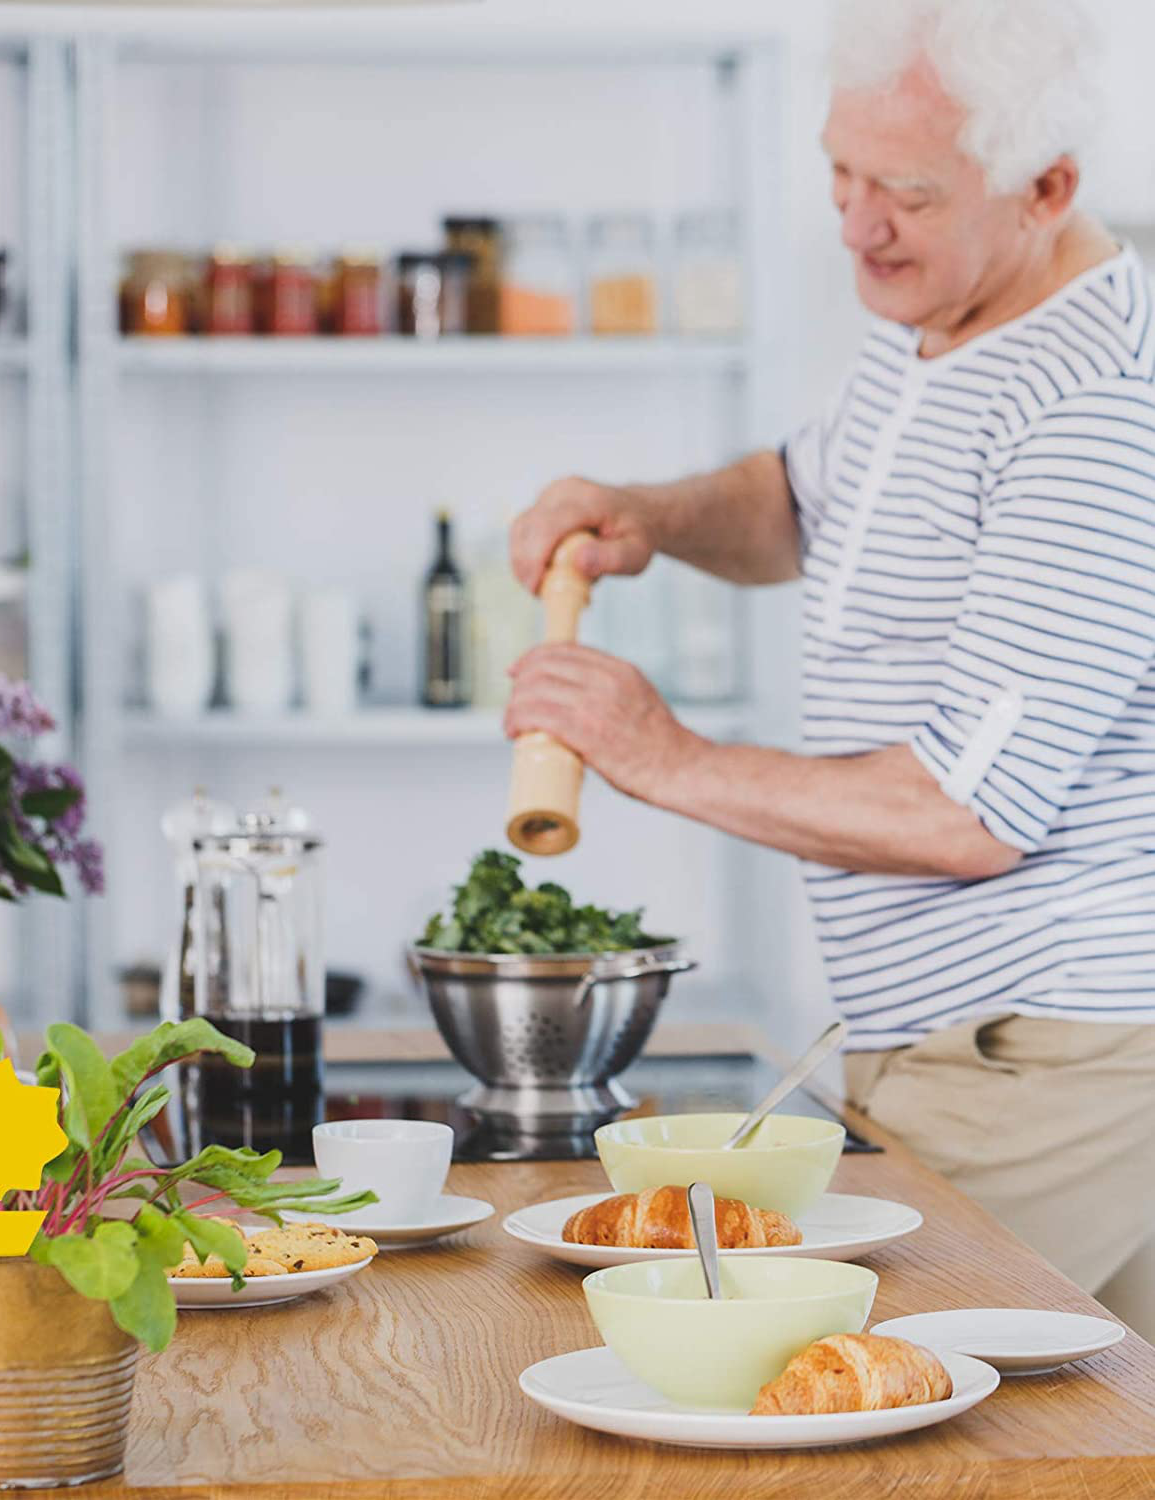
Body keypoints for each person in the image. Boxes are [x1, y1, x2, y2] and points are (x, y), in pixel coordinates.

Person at [506, 0, 1155, 1337]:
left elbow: (961, 816)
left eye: (906, 194)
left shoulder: (1091, 410)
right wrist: (652, 514)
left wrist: (663, 756)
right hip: (961, 1037)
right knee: (1091, 1427)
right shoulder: (947, 314)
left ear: (1050, 189)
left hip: (1050, 1052)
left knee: (825, 1369)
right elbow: (811, 500)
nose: (856, 227)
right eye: (841, 175)